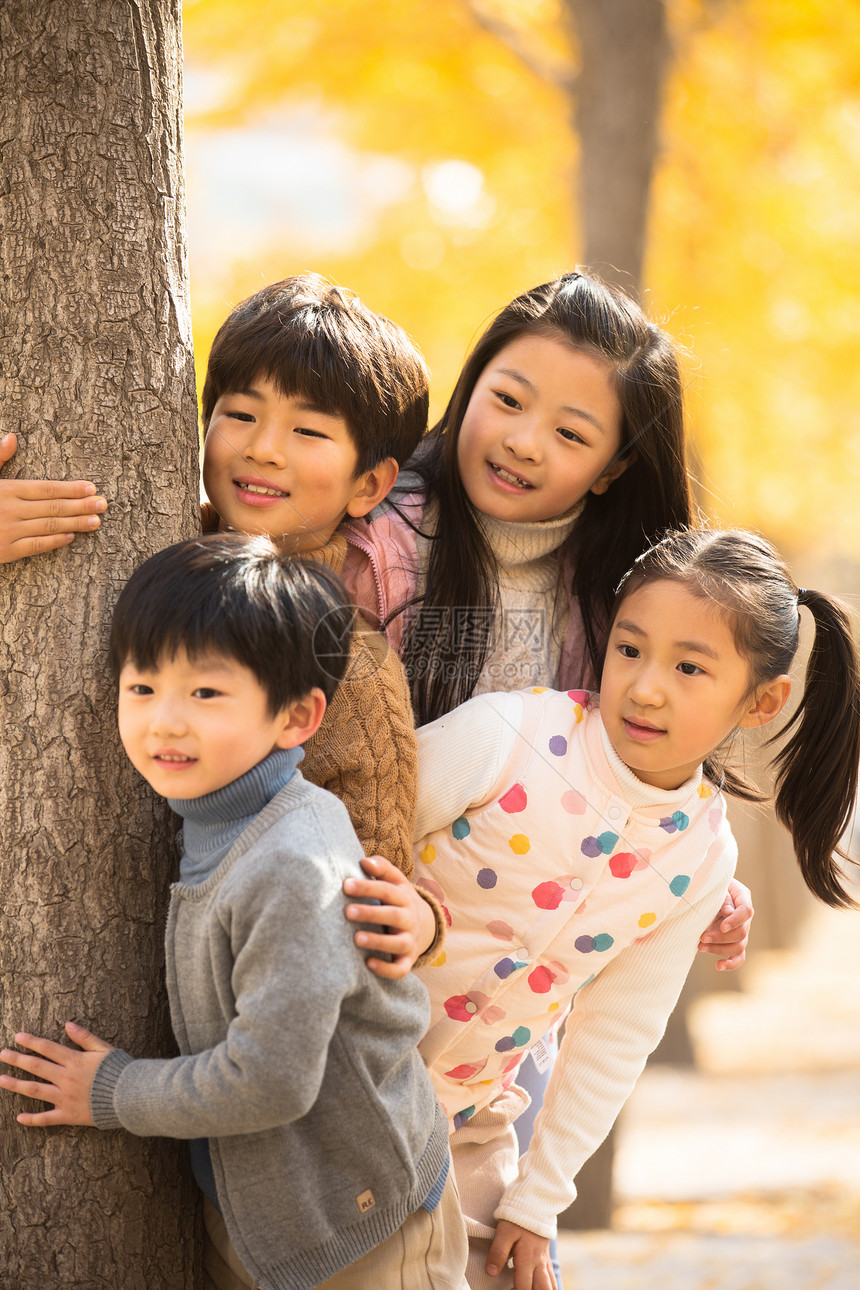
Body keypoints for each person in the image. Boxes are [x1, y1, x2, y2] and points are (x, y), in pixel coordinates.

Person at [336, 272, 754, 1282]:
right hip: (354, 955)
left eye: (571, 434)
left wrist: (680, 866)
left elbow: (624, 762)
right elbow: (232, 572)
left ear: (614, 467)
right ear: (470, 383)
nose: (522, 442)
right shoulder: (379, 536)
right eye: (507, 399)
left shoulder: (622, 602)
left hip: (495, 1024)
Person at [0, 534, 467, 1290]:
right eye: (142, 688)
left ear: (297, 718)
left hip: (360, 1223)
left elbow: (273, 1079)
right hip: (273, 1208)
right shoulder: (221, 818)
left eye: (206, 693)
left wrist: (112, 1092)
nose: (164, 723)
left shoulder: (289, 863)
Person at [406, 527, 860, 1290]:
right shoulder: (510, 736)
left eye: (689, 667)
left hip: (470, 1118)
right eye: (629, 650)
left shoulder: (700, 858)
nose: (647, 687)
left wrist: (539, 1197)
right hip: (349, 1072)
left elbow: (614, 1034)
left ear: (761, 701)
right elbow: (355, 829)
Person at [0, 272, 443, 976]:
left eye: (307, 430)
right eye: (240, 414)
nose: (264, 448)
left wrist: (422, 923)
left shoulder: (345, 659)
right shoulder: (143, 539)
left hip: (227, 990)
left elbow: (375, 876)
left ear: (371, 485)